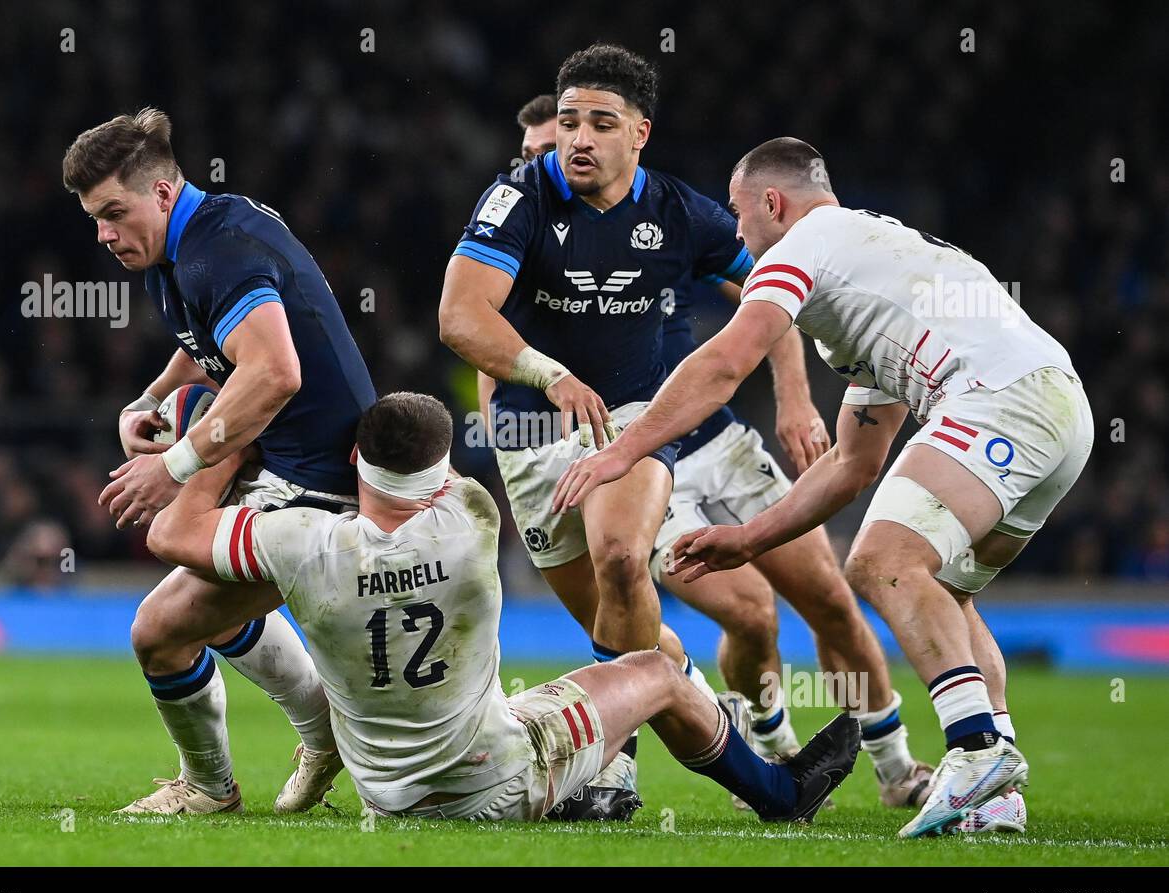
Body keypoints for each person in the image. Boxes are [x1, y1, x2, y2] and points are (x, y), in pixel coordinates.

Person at [554, 137, 1093, 836]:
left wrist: (622, 452)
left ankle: (974, 749)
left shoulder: (805, 244)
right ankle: (993, 794)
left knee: (882, 561)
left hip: (1002, 399)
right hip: (1059, 411)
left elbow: (724, 362)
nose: (740, 235)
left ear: (774, 203)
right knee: (947, 593)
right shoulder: (870, 270)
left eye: (742, 216)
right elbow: (852, 463)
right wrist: (748, 538)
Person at [474, 93, 930, 814]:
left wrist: (794, 397)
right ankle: (767, 744)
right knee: (747, 611)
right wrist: (517, 436)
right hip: (612, 452)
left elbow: (772, 290)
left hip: (704, 430)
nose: (549, 162)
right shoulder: (514, 231)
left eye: (560, 142)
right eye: (534, 154)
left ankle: (897, 765)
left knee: (829, 596)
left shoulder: (666, 216)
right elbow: (483, 357)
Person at [144, 391, 862, 823]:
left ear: (357, 467)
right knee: (660, 669)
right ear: (440, 467)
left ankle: (598, 785)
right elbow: (433, 468)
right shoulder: (471, 518)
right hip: (497, 775)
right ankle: (779, 791)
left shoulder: (299, 541)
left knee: (553, 703)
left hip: (386, 794)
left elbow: (170, 532)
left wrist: (223, 444)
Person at [63, 107, 377, 814]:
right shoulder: (190, 242)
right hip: (287, 464)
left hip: (317, 491)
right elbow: (211, 336)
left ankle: (210, 787)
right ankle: (322, 731)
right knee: (190, 587)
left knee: (157, 629)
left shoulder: (219, 248)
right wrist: (147, 397)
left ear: (163, 194)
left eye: (114, 212)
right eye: (94, 218)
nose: (104, 234)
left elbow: (273, 373)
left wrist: (173, 464)